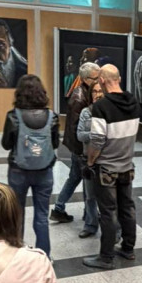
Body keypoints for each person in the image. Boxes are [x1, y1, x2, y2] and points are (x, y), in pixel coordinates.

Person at [82, 64, 140, 270]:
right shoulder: (133, 101)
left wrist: (90, 162)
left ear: (103, 82)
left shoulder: (101, 107)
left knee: (107, 213)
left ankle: (106, 257)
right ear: (120, 78)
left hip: (106, 168)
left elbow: (97, 141)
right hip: (127, 166)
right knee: (128, 208)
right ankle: (128, 248)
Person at [1, 74, 58, 258]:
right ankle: (44, 256)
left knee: (17, 214)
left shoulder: (13, 117)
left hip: (18, 171)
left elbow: (6, 144)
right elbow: (55, 144)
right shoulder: (52, 117)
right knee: (42, 216)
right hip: (44, 171)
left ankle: (17, 255)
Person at [50, 61, 100, 227]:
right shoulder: (80, 98)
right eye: (96, 77)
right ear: (86, 79)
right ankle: (88, 215)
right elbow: (77, 129)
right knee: (85, 181)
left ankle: (60, 208)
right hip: (80, 149)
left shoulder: (82, 92)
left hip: (77, 148)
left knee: (75, 178)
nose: (99, 80)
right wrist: (81, 153)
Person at [75, 77, 106, 241]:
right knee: (90, 197)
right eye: (94, 91)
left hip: (106, 160)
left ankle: (113, 229)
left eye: (100, 91)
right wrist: (96, 134)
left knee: (108, 198)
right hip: (88, 160)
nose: (97, 94)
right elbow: (79, 135)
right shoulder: (86, 112)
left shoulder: (109, 112)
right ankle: (90, 225)